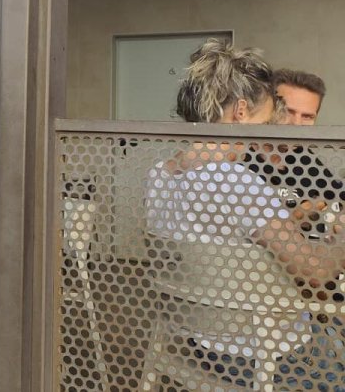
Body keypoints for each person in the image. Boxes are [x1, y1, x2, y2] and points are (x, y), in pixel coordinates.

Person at [146, 39, 345, 387]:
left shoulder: (160, 173)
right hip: (259, 351)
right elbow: (316, 272)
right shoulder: (240, 184)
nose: (262, 135)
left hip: (195, 336)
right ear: (240, 111)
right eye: (266, 120)